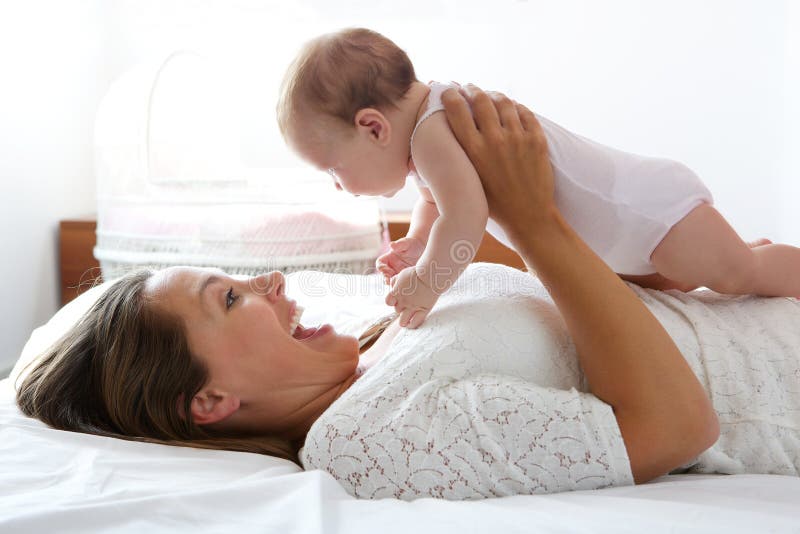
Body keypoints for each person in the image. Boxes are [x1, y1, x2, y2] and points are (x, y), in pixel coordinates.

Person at [16, 85, 800, 501]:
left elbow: (601, 320)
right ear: (209, 401)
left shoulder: (379, 338)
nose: (272, 280)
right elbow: (673, 428)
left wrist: (675, 257)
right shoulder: (368, 440)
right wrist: (527, 220)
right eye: (229, 300)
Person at [276, 27, 800, 329]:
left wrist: (429, 285)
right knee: (688, 277)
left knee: (737, 274)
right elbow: (438, 204)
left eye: (334, 170)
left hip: (644, 212)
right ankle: (741, 250)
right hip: (624, 239)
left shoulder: (436, 130)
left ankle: (761, 262)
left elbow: (464, 217)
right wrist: (417, 240)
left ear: (372, 127)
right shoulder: (426, 136)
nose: (340, 186)